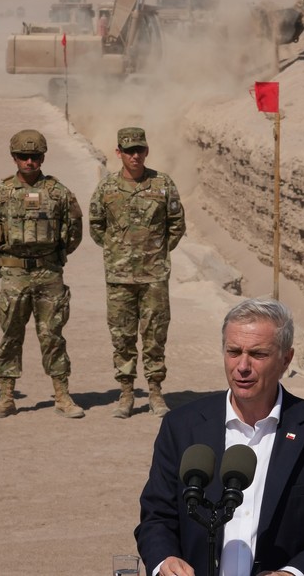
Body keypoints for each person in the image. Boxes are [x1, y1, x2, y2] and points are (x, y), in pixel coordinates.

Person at [136, 298, 304, 575]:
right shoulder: (181, 427)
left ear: (286, 359)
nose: (242, 366)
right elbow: (157, 516)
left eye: (258, 354)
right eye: (234, 352)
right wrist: (165, 560)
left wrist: (293, 573)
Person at [0, 129, 85, 419]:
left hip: (49, 273)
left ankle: (62, 396)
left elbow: (74, 231)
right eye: (24, 156)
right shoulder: (1, 193)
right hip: (14, 274)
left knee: (52, 335)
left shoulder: (58, 192)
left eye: (35, 156)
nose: (29, 162)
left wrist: (54, 257)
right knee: (11, 335)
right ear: (14, 157)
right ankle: (6, 397)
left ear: (43, 157)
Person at [89, 127, 186, 419]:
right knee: (122, 336)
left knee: (155, 334)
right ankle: (127, 393)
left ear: (146, 151)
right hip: (119, 277)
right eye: (129, 151)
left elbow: (176, 224)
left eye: (139, 150)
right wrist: (117, 251)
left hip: (153, 276)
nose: (135, 156)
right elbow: (96, 226)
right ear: (118, 152)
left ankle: (155, 392)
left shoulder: (162, 184)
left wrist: (156, 251)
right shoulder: (107, 188)